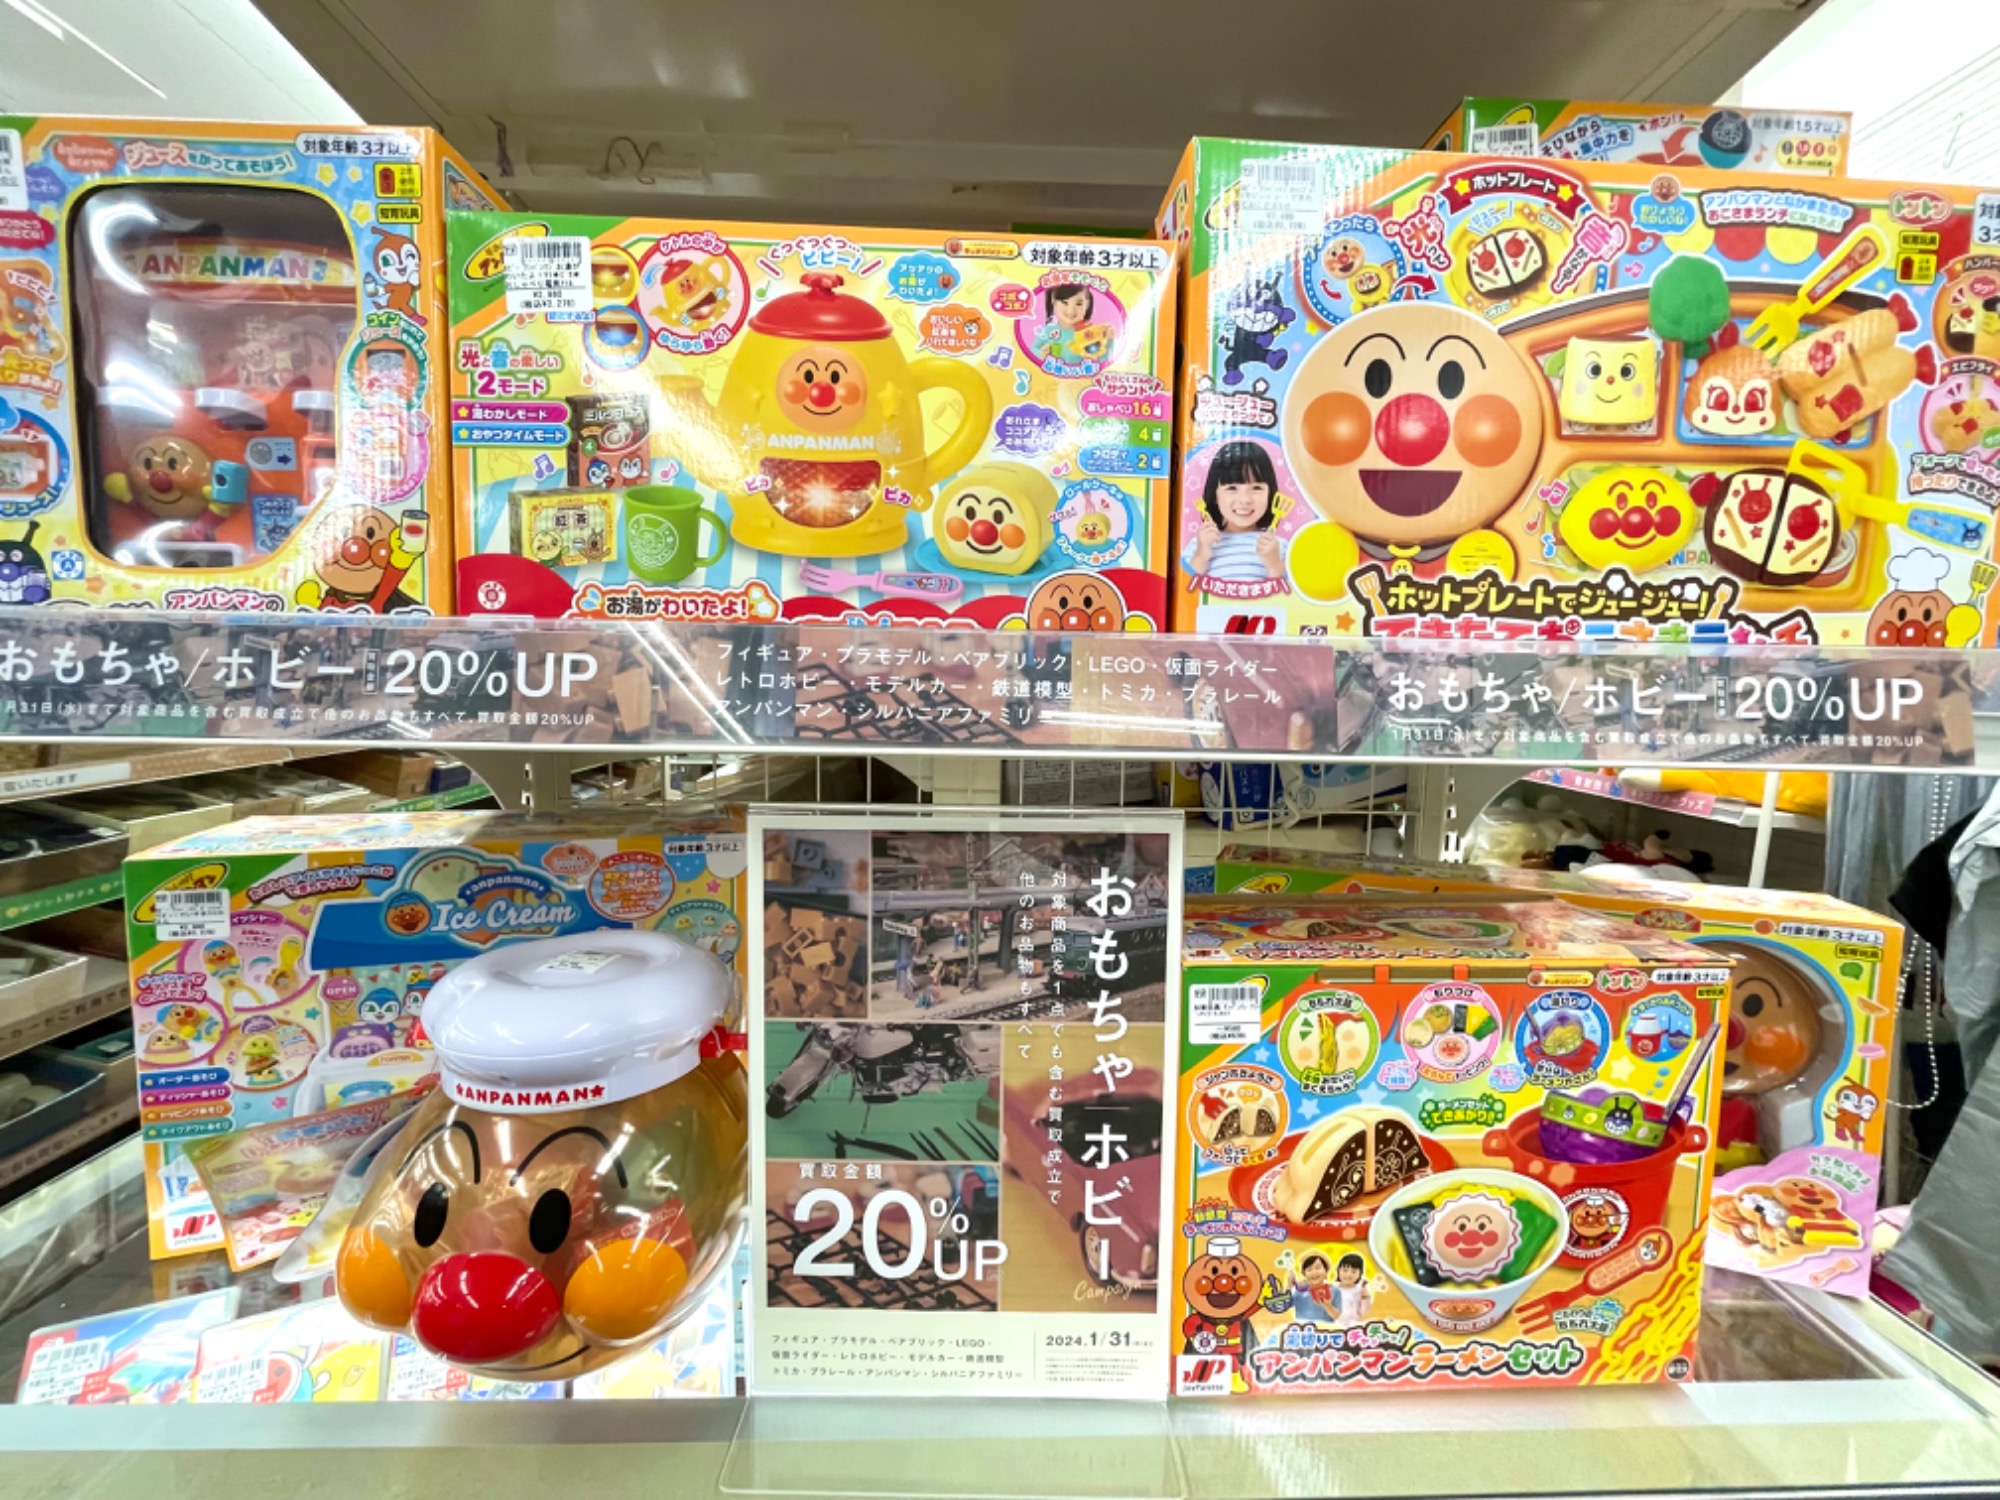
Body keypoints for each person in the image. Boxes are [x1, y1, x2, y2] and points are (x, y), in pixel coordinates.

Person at [1186, 441, 1286, 583]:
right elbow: (1186, 586)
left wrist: (1274, 564)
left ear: (1270, 495)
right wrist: (1201, 555)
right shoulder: (1200, 544)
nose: (1245, 500)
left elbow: (1289, 592)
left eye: (1256, 488)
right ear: (1215, 495)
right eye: (1232, 488)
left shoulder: (1279, 546)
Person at [1330, 1253, 1374, 1326]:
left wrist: (1365, 1298)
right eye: (1345, 1270)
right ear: (1338, 1270)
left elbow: (1364, 1314)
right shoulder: (1332, 1288)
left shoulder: (1360, 1290)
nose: (1348, 1275)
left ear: (1360, 1274)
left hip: (1354, 1326)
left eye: (1354, 1272)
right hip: (1334, 1326)